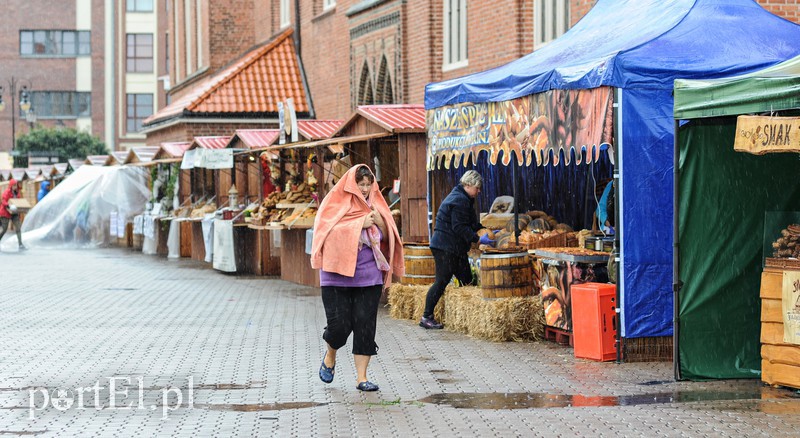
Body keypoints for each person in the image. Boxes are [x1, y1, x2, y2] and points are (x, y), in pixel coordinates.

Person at [310, 164, 404, 392]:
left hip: (368, 275)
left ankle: (362, 378)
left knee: (364, 325)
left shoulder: (377, 203)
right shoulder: (334, 202)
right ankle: (330, 354)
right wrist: (358, 224)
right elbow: (325, 233)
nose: (364, 189)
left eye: (367, 185)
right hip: (336, 276)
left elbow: (388, 234)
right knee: (339, 326)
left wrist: (381, 222)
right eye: (360, 184)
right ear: (351, 184)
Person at [420, 170, 483, 329]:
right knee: (441, 281)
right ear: (468, 185)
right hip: (445, 247)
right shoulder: (460, 200)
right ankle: (426, 317)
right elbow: (459, 227)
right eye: (477, 188)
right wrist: (478, 239)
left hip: (455, 248)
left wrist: (484, 229)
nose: (479, 191)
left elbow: (469, 223)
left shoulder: (464, 198)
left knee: (467, 280)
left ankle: (467, 317)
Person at [0, 179, 25, 250]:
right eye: (14, 185)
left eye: (16, 185)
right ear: (11, 185)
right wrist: (8, 205)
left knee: (18, 227)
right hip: (5, 212)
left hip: (14, 212)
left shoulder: (17, 193)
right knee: (4, 229)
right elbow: (3, 200)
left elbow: (18, 201)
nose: (15, 186)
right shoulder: (7, 192)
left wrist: (20, 209)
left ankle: (20, 244)